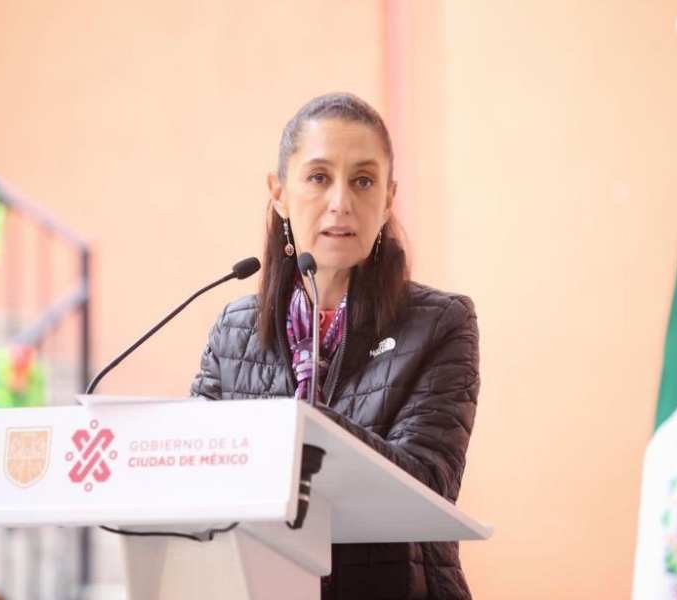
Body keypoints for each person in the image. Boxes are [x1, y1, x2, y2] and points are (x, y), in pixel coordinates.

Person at [191, 92, 480, 600]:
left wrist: (303, 431)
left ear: (388, 199)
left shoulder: (440, 323)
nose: (341, 202)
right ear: (279, 192)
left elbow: (427, 483)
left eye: (363, 181)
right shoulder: (233, 329)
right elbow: (196, 473)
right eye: (319, 177)